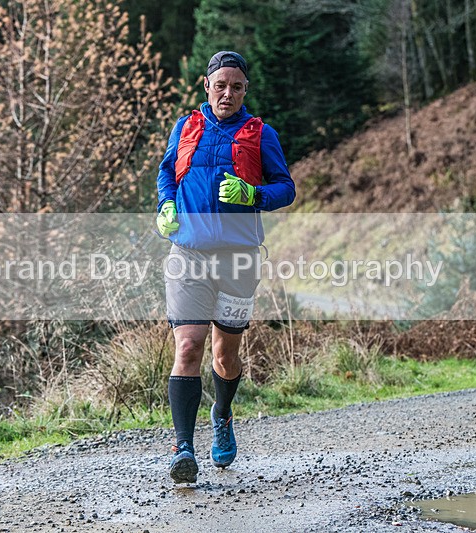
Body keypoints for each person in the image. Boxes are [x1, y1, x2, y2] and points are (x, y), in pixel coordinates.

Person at [155, 50, 295, 483]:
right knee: (188, 347)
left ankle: (222, 412)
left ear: (245, 90)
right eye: (221, 85)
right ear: (206, 86)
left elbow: (286, 188)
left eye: (236, 86)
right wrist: (165, 205)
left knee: (224, 355)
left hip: (238, 259)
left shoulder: (260, 134)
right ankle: (183, 448)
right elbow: (166, 172)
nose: (228, 93)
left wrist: (254, 196)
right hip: (188, 256)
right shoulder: (187, 126)